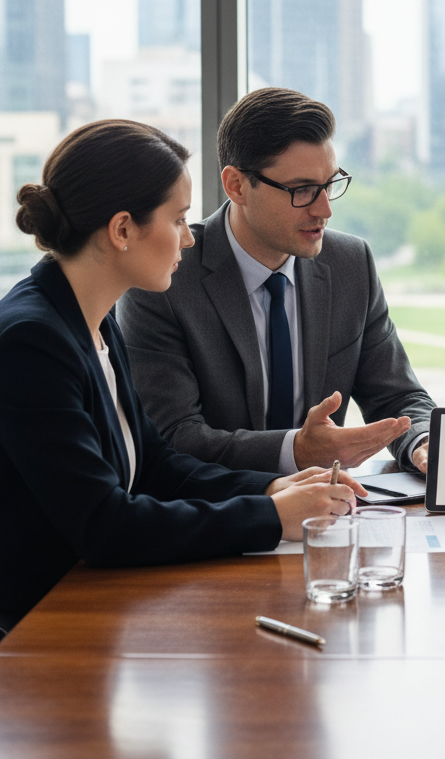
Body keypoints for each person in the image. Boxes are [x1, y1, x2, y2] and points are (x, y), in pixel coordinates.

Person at [0, 120, 360, 635]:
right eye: (178, 219)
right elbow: (104, 526)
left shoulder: (94, 321)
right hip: (39, 629)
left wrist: (272, 487)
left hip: (98, 606)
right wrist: (272, 517)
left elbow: (155, 465)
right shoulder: (32, 342)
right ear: (123, 230)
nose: (190, 239)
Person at [118, 88, 434, 476]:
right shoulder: (165, 278)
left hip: (332, 504)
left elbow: (399, 396)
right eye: (302, 190)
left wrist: (422, 442)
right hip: (220, 508)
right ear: (236, 185)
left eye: (330, 184)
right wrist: (294, 452)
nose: (325, 209)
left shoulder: (351, 264)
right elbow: (173, 437)